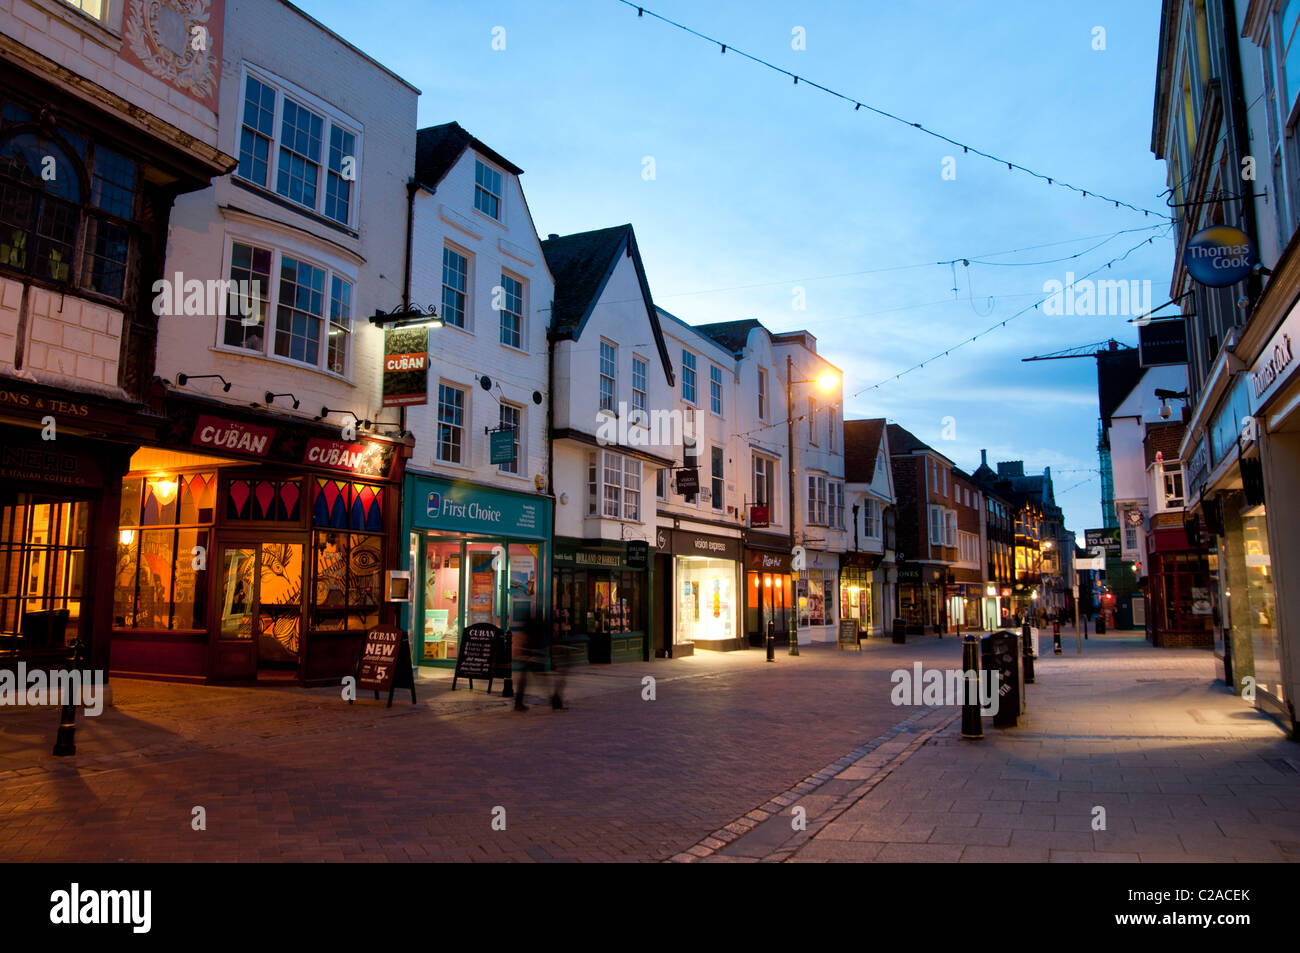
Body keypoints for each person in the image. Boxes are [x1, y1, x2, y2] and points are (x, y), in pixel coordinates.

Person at [513, 610, 566, 712]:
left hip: (528, 654)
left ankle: (518, 703)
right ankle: (555, 703)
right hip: (533, 654)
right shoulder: (541, 625)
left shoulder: (531, 623)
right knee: (542, 680)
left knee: (526, 680)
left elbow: (525, 636)